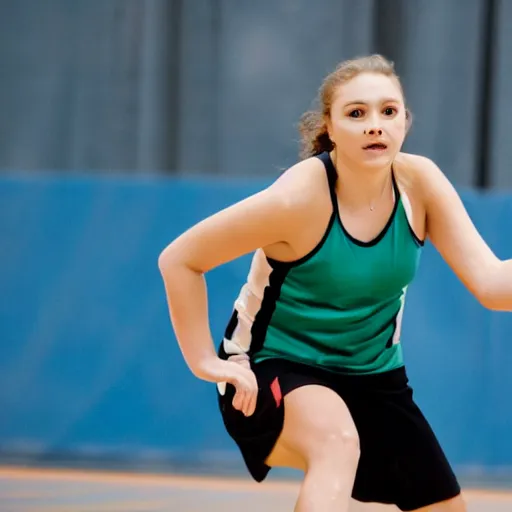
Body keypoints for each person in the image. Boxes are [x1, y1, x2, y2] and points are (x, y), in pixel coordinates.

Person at [158, 54, 511, 511]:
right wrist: (206, 361)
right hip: (273, 366)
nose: (375, 125)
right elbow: (180, 260)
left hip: (373, 376)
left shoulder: (419, 183)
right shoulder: (298, 199)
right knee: (336, 442)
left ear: (405, 120)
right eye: (356, 113)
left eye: (388, 111)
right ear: (330, 125)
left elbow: (494, 284)